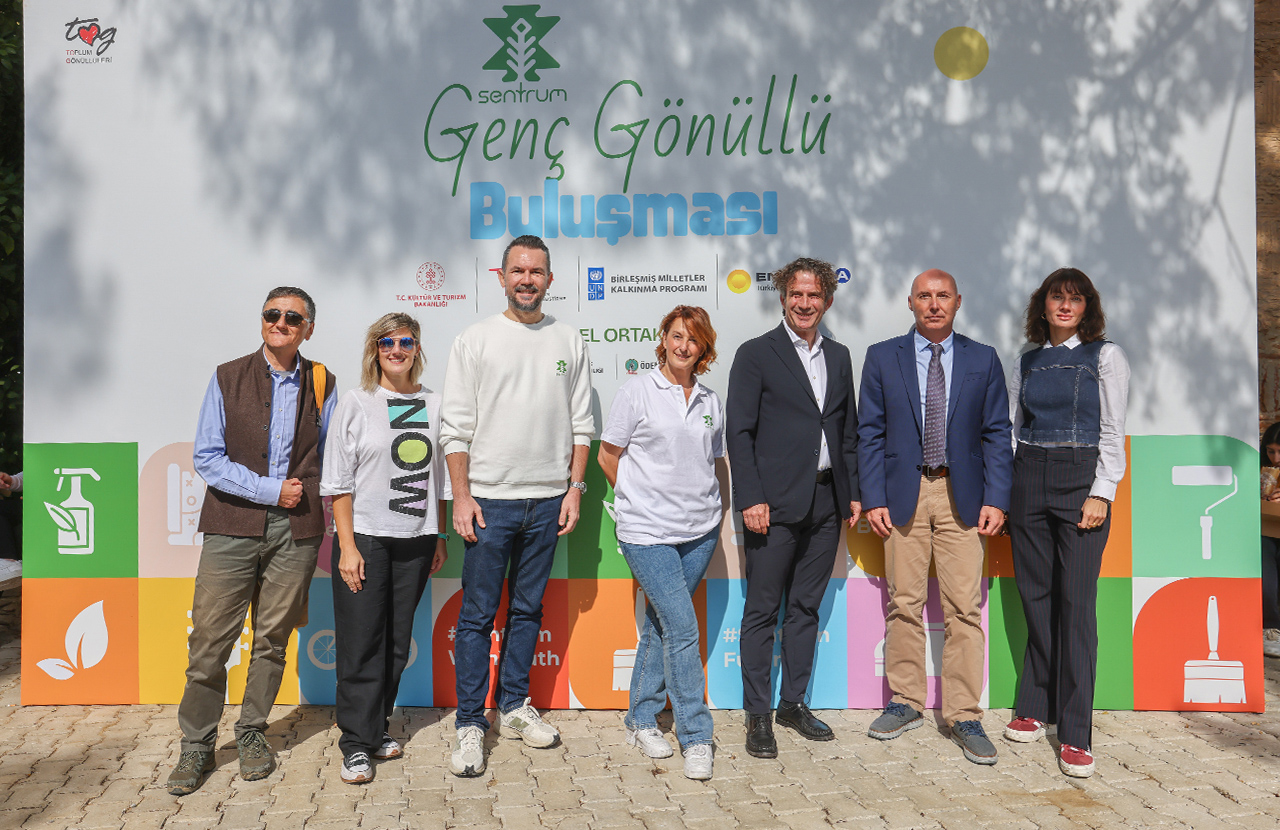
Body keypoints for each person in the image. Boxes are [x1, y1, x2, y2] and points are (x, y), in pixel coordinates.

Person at [168, 287, 336, 795]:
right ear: (262, 319)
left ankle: (252, 732)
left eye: (292, 317)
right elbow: (207, 456)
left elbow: (332, 457)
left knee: (272, 641)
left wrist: (317, 505)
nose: (280, 322)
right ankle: (197, 744)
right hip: (231, 525)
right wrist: (270, 490)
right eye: (272, 313)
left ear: (308, 329)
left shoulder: (323, 381)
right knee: (208, 643)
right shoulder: (227, 376)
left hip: (298, 531)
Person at [440, 234, 594, 777]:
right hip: (489, 503)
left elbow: (581, 424)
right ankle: (469, 723)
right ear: (501, 277)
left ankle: (513, 706)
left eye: (536, 271)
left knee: (528, 612)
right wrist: (461, 496)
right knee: (478, 615)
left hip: (548, 502)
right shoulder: (475, 339)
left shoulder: (569, 339)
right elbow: (454, 428)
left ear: (550, 280)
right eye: (518, 271)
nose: (527, 280)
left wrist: (574, 488)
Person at [859, 269, 1012, 766]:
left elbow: (996, 433)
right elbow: (870, 432)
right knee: (903, 603)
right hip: (903, 495)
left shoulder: (983, 359)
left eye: (942, 295)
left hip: (961, 497)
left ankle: (964, 714)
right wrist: (873, 496)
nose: (933, 303)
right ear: (910, 302)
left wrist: (997, 499)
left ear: (958, 302)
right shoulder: (882, 356)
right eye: (924, 296)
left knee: (964, 608)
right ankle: (905, 702)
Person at [726, 257, 861, 759]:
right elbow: (739, 432)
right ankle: (758, 715)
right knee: (762, 610)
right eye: (796, 295)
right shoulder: (755, 353)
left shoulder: (840, 356)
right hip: (772, 505)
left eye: (814, 295)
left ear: (828, 300)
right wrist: (751, 497)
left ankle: (792, 704)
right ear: (783, 297)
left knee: (805, 608)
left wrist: (853, 492)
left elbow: (846, 430)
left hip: (826, 503)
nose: (805, 304)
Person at [1002, 268, 1130, 778]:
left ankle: (1076, 732)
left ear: (1086, 308)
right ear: (1043, 305)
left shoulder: (1106, 357)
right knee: (1035, 597)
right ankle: (1035, 705)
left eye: (1075, 299)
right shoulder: (1026, 360)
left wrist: (1102, 491)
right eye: (1057, 297)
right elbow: (1013, 428)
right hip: (1029, 477)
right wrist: (1010, 488)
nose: (1065, 306)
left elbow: (1113, 429)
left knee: (1076, 607)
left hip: (1081, 479)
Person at [321, 313, 451, 784]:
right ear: (374, 350)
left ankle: (375, 729)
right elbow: (338, 481)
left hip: (416, 540)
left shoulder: (435, 404)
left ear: (417, 349)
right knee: (361, 644)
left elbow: (439, 475)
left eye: (405, 342)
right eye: (386, 342)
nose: (396, 350)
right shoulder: (356, 403)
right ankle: (355, 745)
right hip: (366, 539)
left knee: (395, 644)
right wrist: (347, 547)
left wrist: (438, 534)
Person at [598, 305, 725, 780]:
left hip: (700, 531)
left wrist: (717, 513)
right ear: (663, 340)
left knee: (660, 624)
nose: (683, 346)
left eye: (693, 339)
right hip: (647, 532)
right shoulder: (637, 390)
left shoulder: (710, 399)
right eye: (676, 335)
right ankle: (696, 735)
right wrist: (636, 500)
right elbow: (608, 455)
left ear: (703, 347)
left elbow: (713, 460)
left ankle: (640, 718)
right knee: (683, 628)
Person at [1260, 422, 1280, 659]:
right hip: (1266, 530)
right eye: (1270, 451)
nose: (1276, 459)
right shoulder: (1260, 470)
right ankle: (1271, 628)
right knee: (1265, 570)